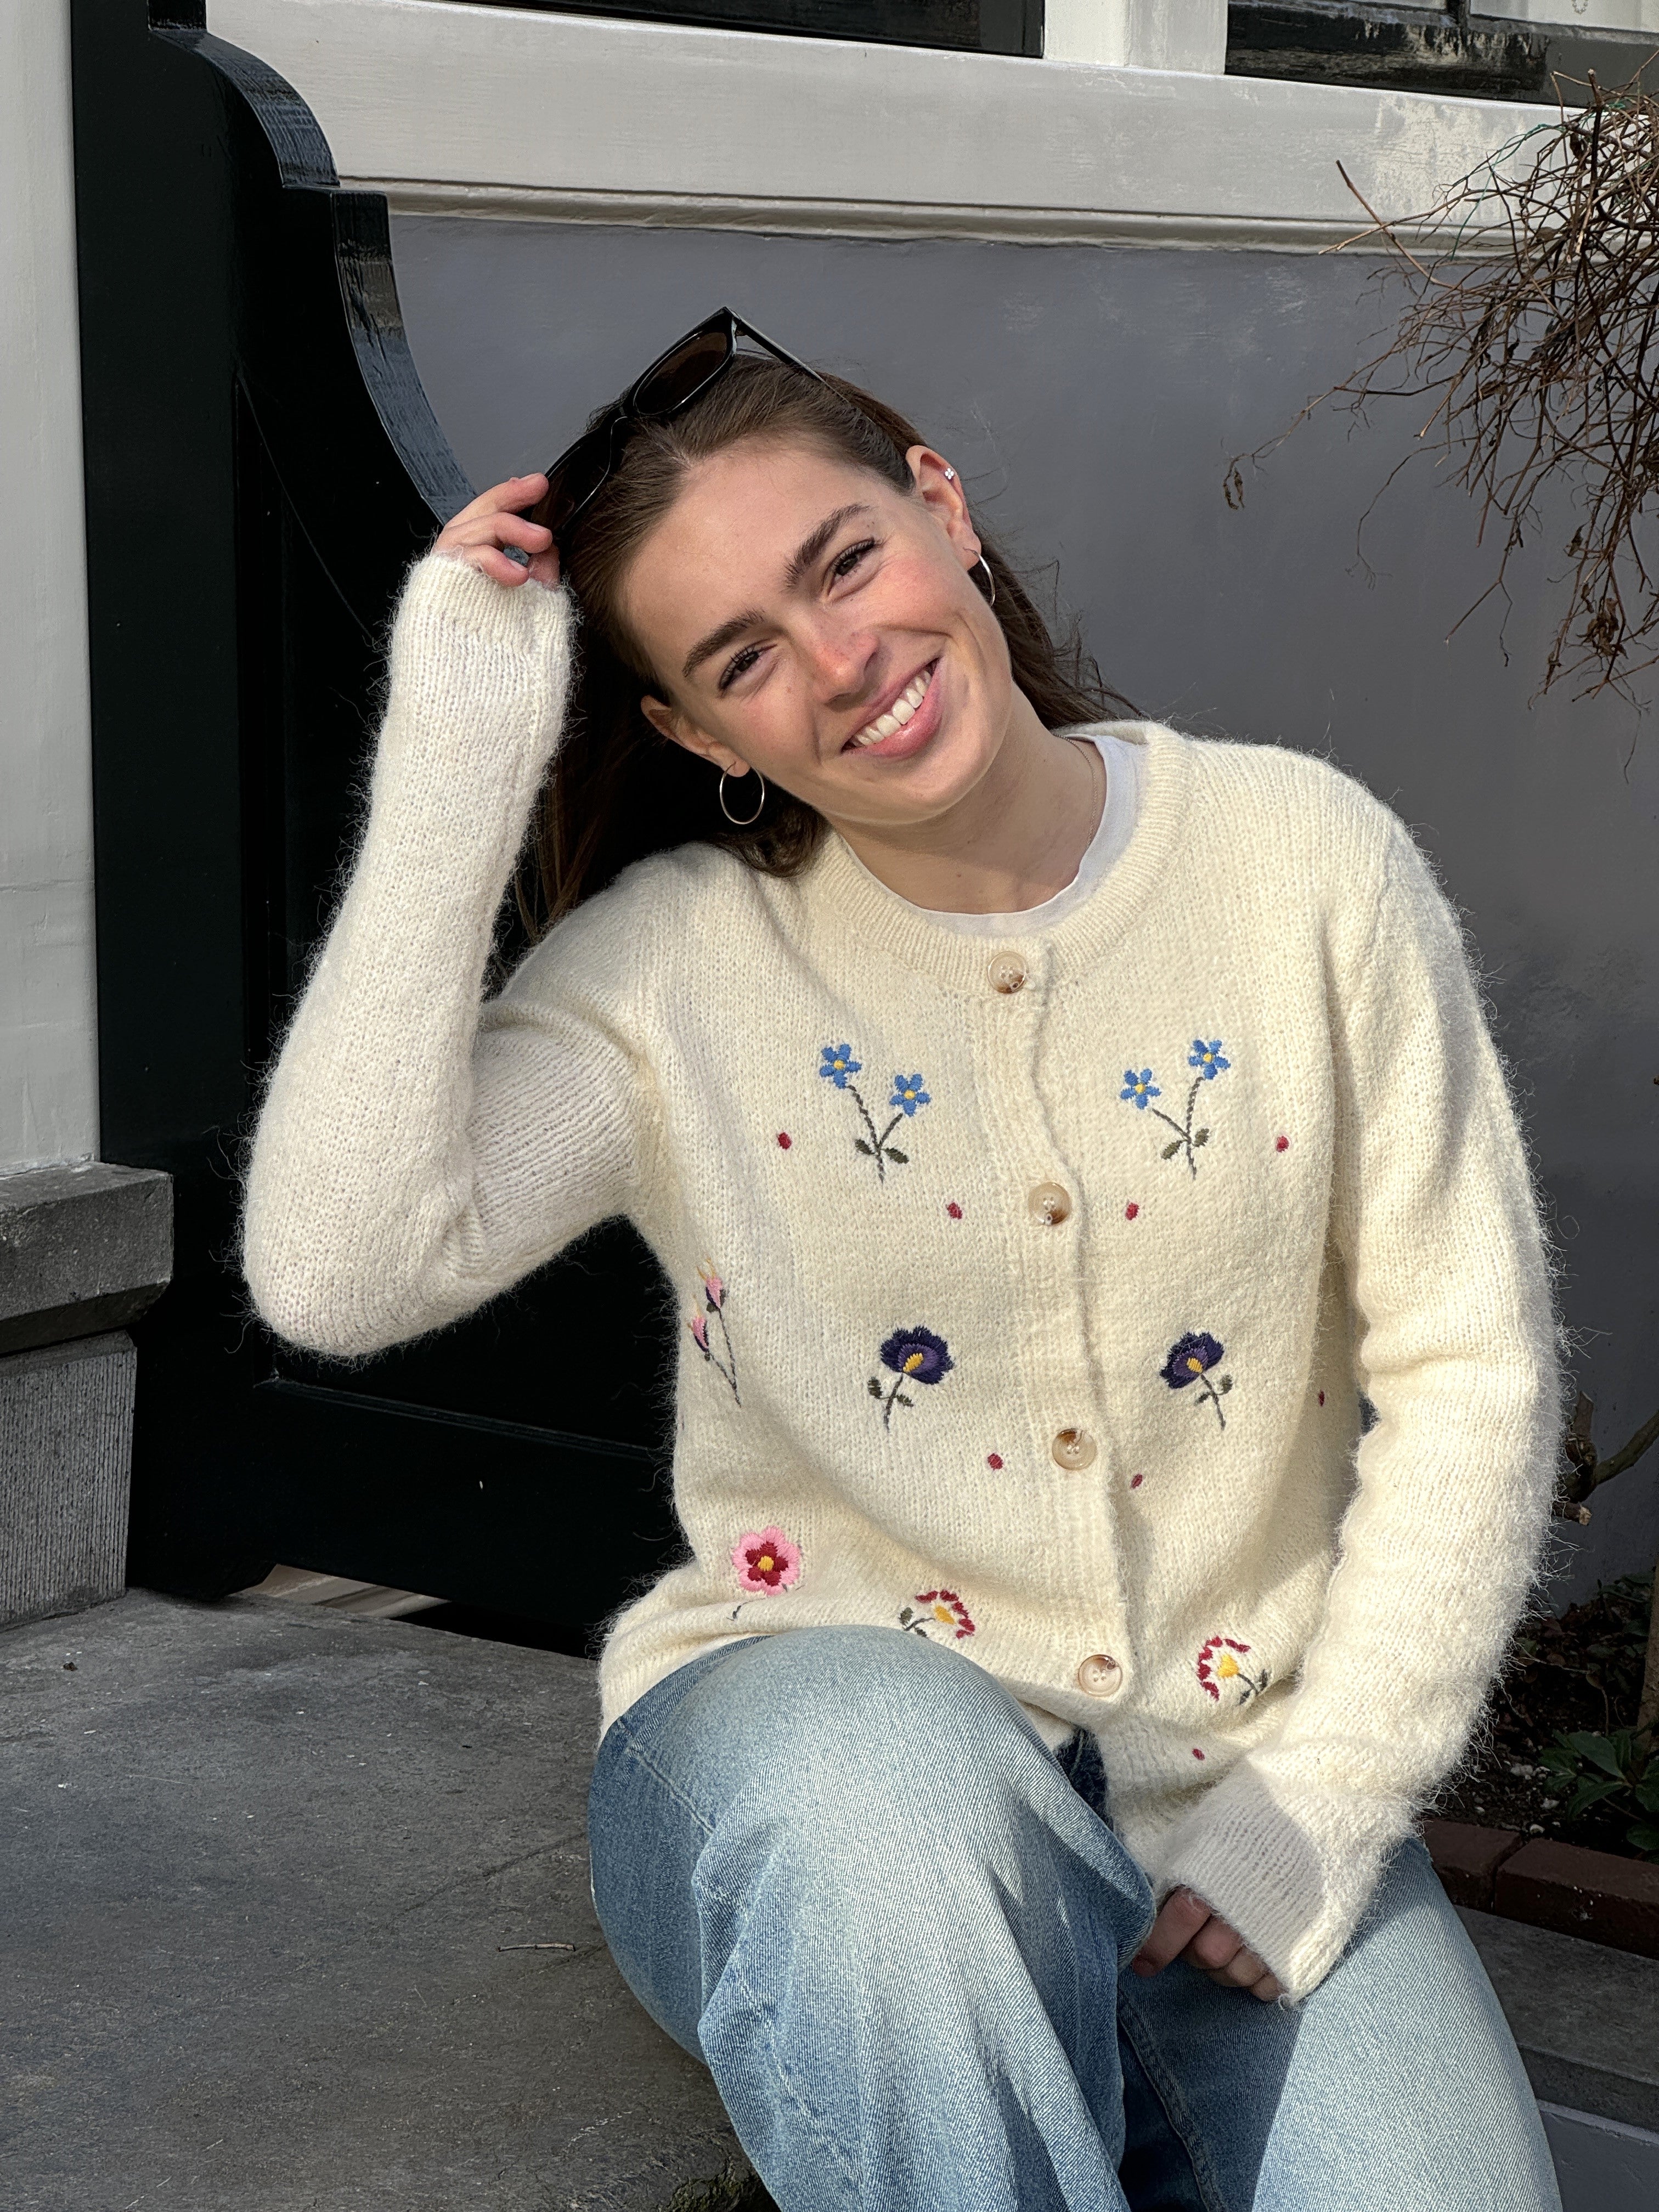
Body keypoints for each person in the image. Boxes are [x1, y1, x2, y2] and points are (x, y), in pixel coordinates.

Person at [242, 310, 1565, 2210]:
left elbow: (1471, 1371)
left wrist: (1333, 1795)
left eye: (844, 561)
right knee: (890, 1793)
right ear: (696, 735)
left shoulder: (1307, 866)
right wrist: (459, 752)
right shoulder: (677, 971)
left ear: (941, 507)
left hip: (1242, 1774)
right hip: (819, 1768)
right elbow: (336, 1272)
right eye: (741, 660)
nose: (841, 663)